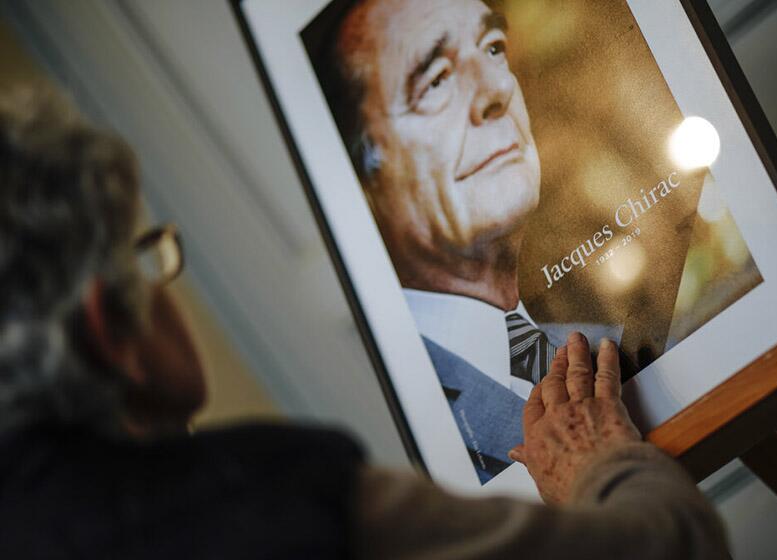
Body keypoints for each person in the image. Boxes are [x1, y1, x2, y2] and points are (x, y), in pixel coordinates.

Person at [0, 89, 728, 558]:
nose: (491, 98)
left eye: (496, 52)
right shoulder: (276, 504)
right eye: (141, 259)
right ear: (108, 329)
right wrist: (600, 464)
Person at [312, 0, 623, 482]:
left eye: (493, 48)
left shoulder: (611, 324)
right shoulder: (391, 446)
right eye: (435, 80)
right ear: (363, 177)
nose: (497, 88)